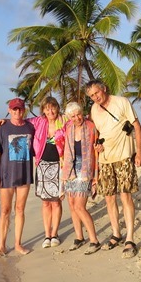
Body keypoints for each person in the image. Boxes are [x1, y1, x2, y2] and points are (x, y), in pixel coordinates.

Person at [0, 97, 67, 249]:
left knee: (56, 201)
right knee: (46, 202)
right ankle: (47, 235)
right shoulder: (39, 122)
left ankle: (55, 234)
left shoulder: (65, 121)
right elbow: (19, 120)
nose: (50, 111)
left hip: (59, 166)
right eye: (47, 109)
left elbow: (79, 121)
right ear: (43, 111)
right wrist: (4, 120)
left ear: (57, 108)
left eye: (53, 108)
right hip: (41, 166)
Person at [85, 80, 141, 258]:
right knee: (109, 198)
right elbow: (97, 134)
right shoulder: (94, 109)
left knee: (125, 196)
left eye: (97, 93)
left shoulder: (122, 102)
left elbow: (137, 126)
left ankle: (130, 238)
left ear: (104, 88)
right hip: (105, 159)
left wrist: (139, 152)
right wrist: (97, 146)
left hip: (124, 155)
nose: (96, 98)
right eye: (92, 96)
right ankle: (116, 234)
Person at [0, 98, 35, 257]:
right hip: (6, 174)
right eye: (14, 109)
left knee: (20, 209)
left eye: (20, 109)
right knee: (5, 210)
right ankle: (2, 245)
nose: (17, 112)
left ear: (24, 110)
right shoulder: (2, 128)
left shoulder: (31, 126)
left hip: (24, 174)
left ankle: (18, 244)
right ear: (9, 110)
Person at [61, 101, 101, 255]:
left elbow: (97, 151)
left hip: (85, 169)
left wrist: (96, 176)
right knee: (71, 205)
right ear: (69, 117)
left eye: (78, 114)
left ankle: (94, 240)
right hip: (70, 169)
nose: (77, 118)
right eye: (73, 116)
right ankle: (79, 237)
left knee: (79, 206)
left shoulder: (91, 126)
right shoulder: (69, 128)